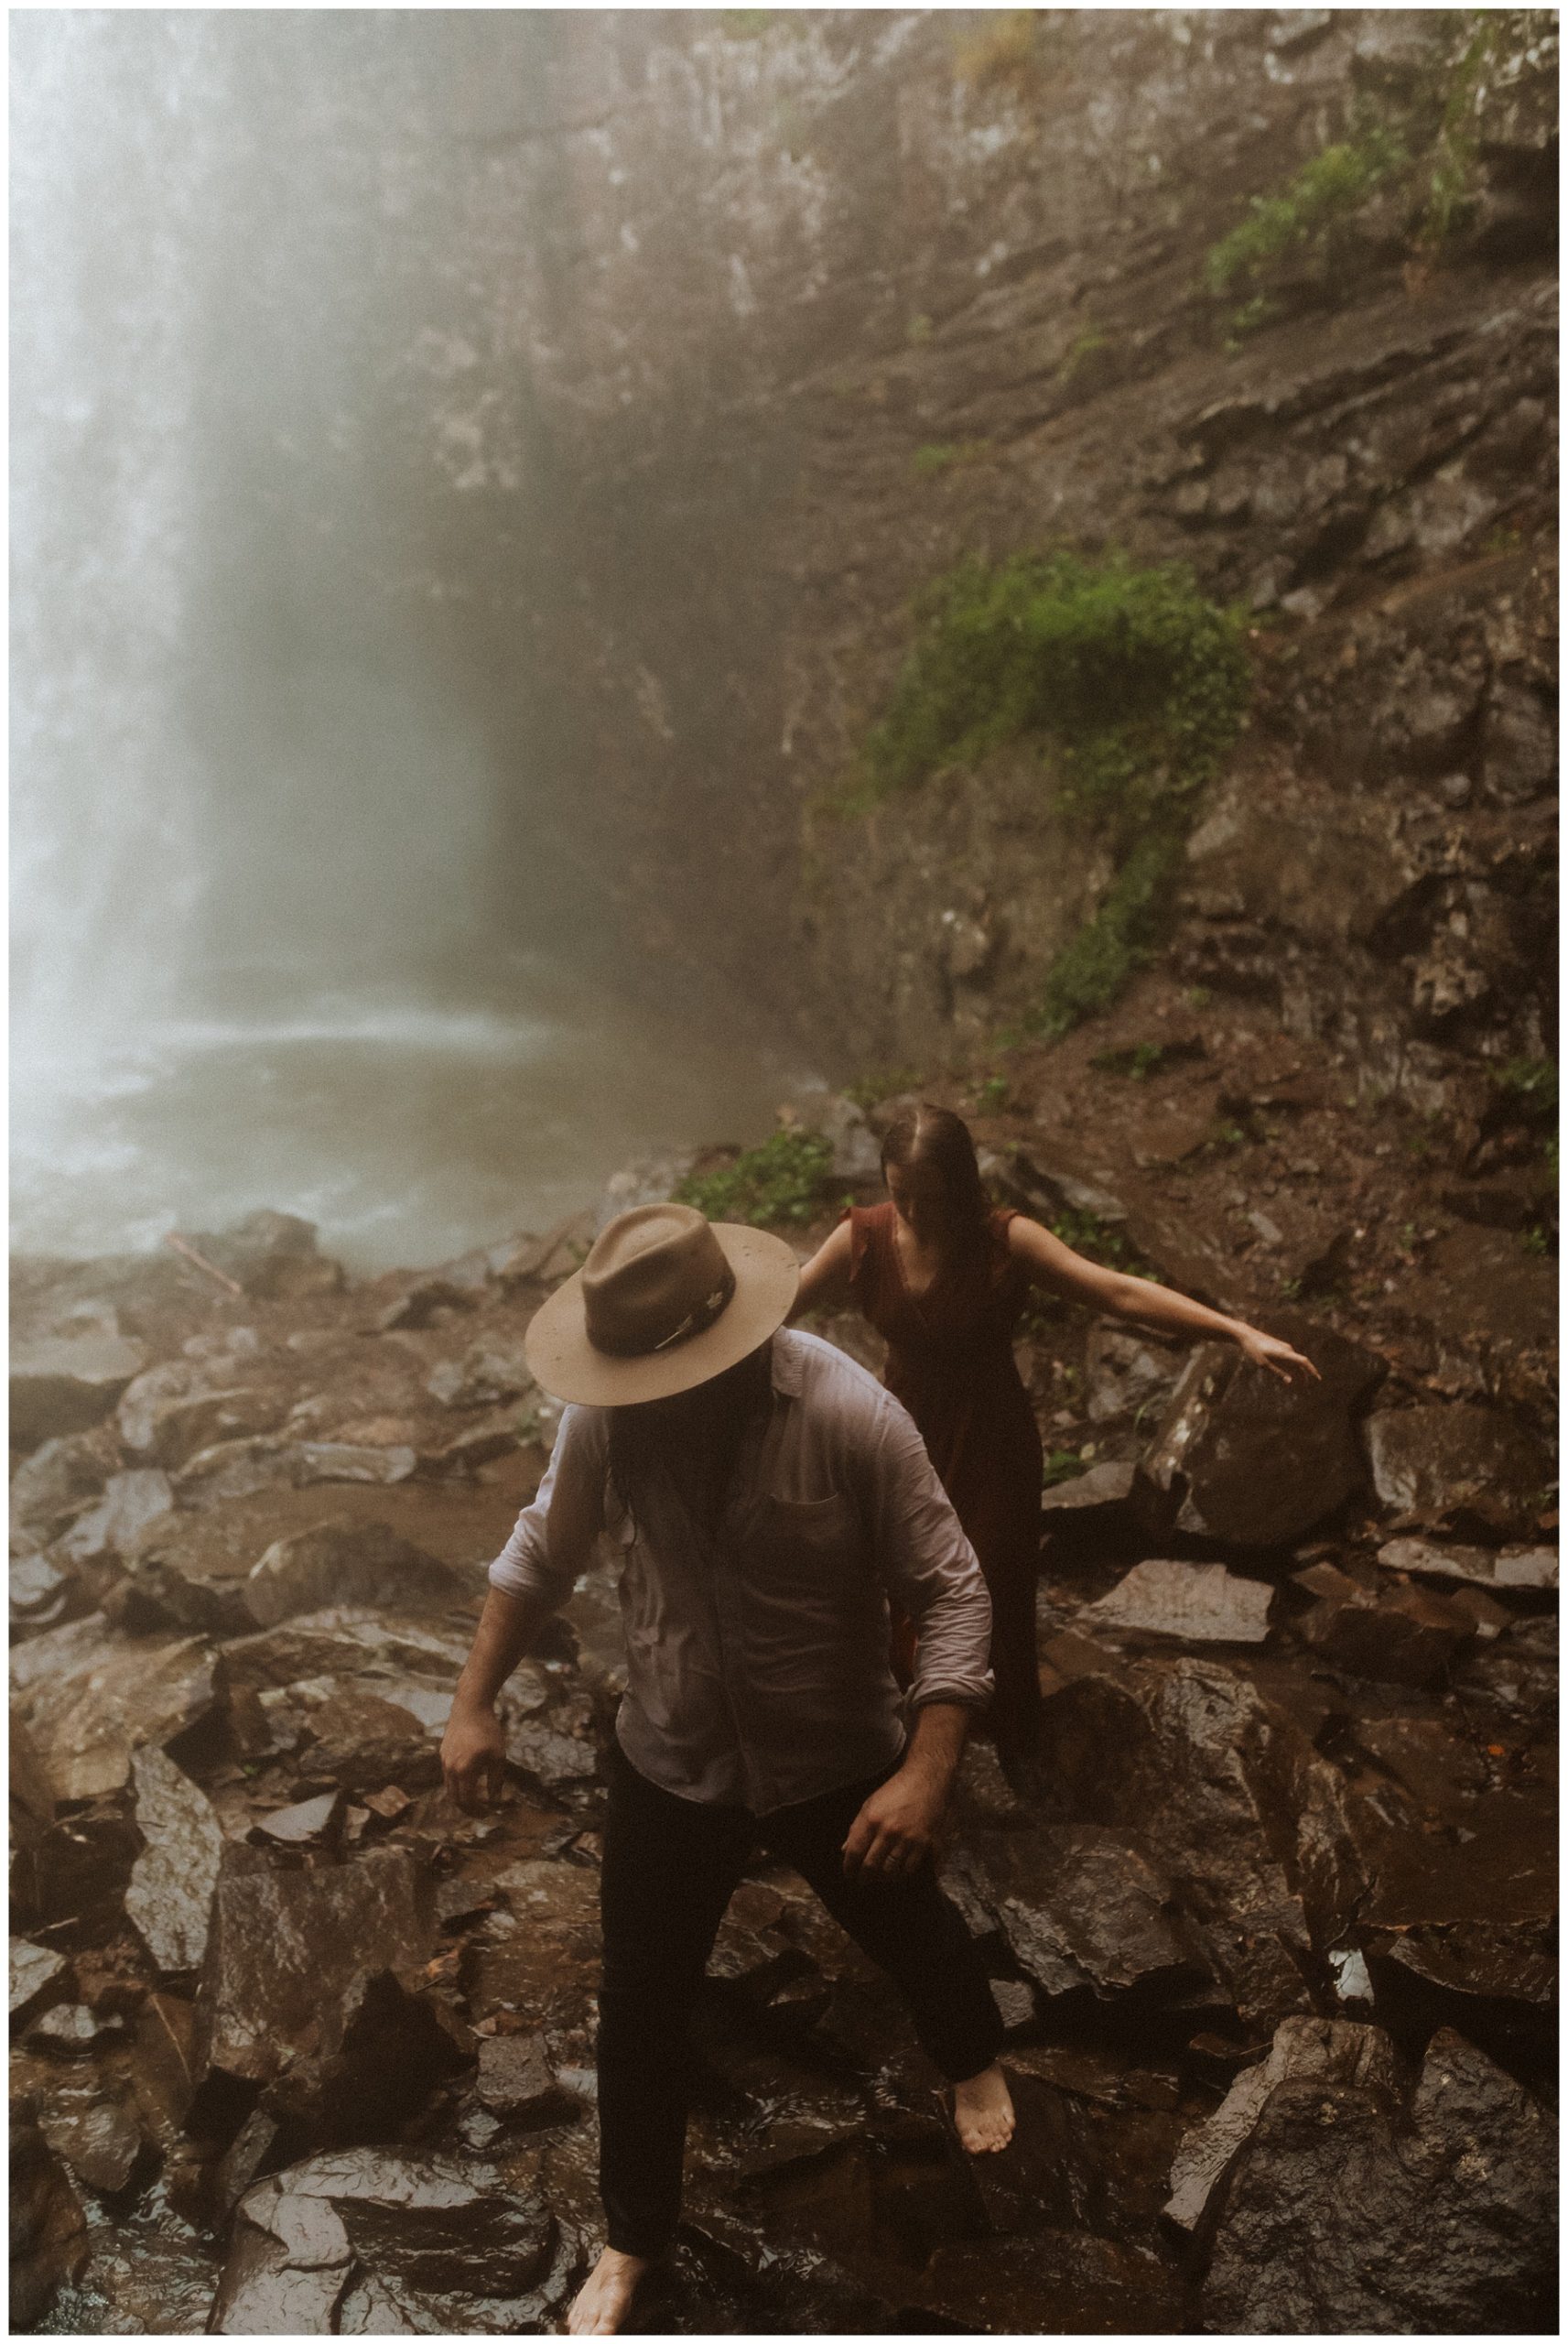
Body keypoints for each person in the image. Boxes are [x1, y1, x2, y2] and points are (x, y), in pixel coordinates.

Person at [440, 1200, 1014, 2339]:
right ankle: (632, 2238)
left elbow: (952, 1589)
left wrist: (926, 1773)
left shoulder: (852, 1415)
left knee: (909, 1925)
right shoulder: (605, 1420)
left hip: (835, 1747)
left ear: (734, 1347)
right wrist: (472, 1701)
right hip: (672, 1748)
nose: (653, 1406)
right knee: (641, 2009)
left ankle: (971, 2060)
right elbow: (538, 1554)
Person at [794, 1102, 1319, 1789]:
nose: (915, 1211)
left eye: (932, 1196)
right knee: (896, 1584)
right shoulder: (861, 1237)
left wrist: (1236, 1332)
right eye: (900, 1195)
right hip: (898, 1433)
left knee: (983, 1587)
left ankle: (1003, 1743)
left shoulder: (1005, 1240)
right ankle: (902, 1751)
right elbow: (780, 1306)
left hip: (991, 1438)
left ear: (962, 1184)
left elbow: (1117, 1292)